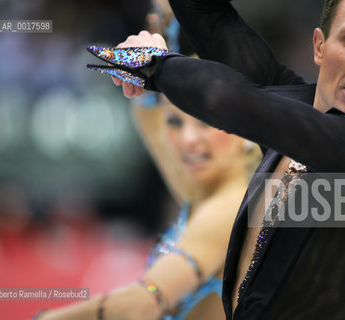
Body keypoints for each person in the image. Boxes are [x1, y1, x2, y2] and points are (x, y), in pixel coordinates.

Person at [105, 0, 345, 318]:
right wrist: (147, 59)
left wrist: (153, 63)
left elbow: (226, 99)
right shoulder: (298, 112)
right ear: (319, 46)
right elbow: (206, 14)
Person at [34, 88, 261, 320]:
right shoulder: (205, 194)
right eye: (174, 122)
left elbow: (140, 305)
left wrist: (48, 318)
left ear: (244, 131)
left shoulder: (228, 208)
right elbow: (147, 111)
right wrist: (149, 72)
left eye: (205, 122)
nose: (188, 139)